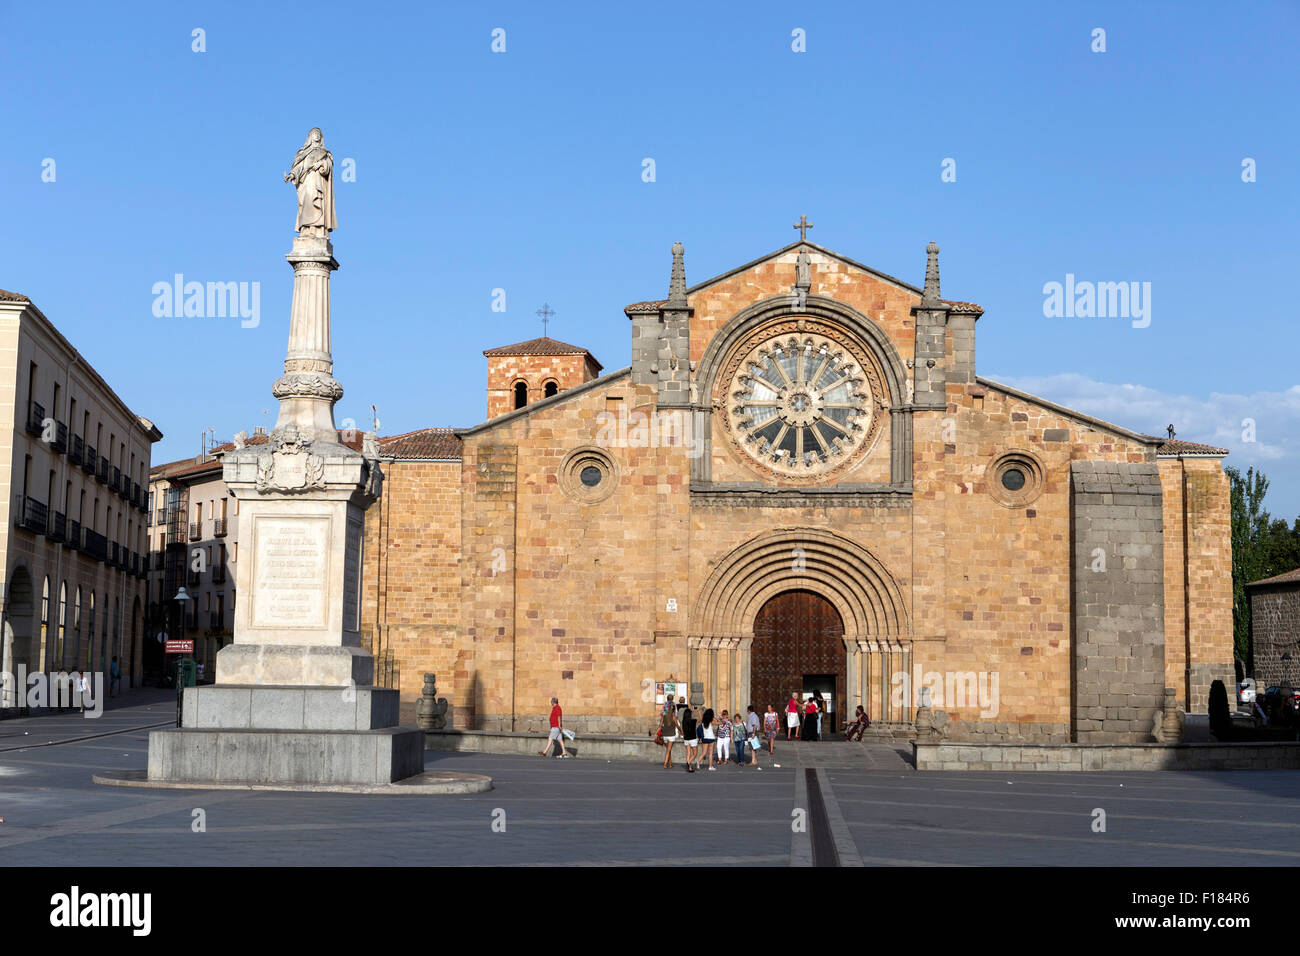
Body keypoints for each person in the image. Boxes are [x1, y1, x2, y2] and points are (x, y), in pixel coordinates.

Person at [659, 700, 681, 769]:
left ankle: (670, 763)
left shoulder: (664, 716)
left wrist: (657, 733)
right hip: (671, 735)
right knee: (668, 750)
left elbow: (660, 725)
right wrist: (681, 732)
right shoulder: (674, 717)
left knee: (669, 749)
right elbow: (677, 726)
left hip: (665, 735)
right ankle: (665, 764)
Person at [680, 706, 699, 772]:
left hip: (686, 739)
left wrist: (691, 711)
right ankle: (689, 762)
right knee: (695, 753)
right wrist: (697, 711)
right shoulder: (693, 721)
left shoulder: (683, 721)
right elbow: (700, 719)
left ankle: (689, 767)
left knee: (688, 753)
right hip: (693, 739)